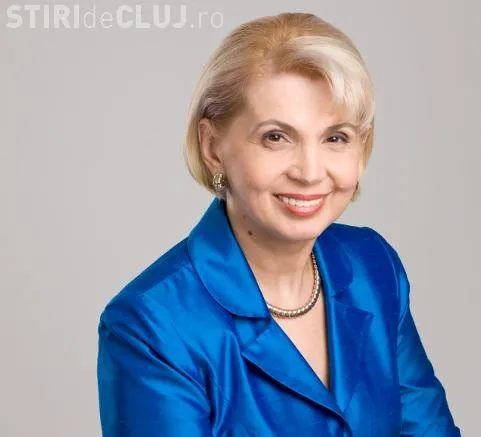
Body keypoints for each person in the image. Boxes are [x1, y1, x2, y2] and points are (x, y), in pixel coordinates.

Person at [96, 12, 461, 436]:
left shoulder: (373, 266)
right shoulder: (150, 323)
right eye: (276, 137)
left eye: (335, 137)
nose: (310, 172)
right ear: (212, 148)